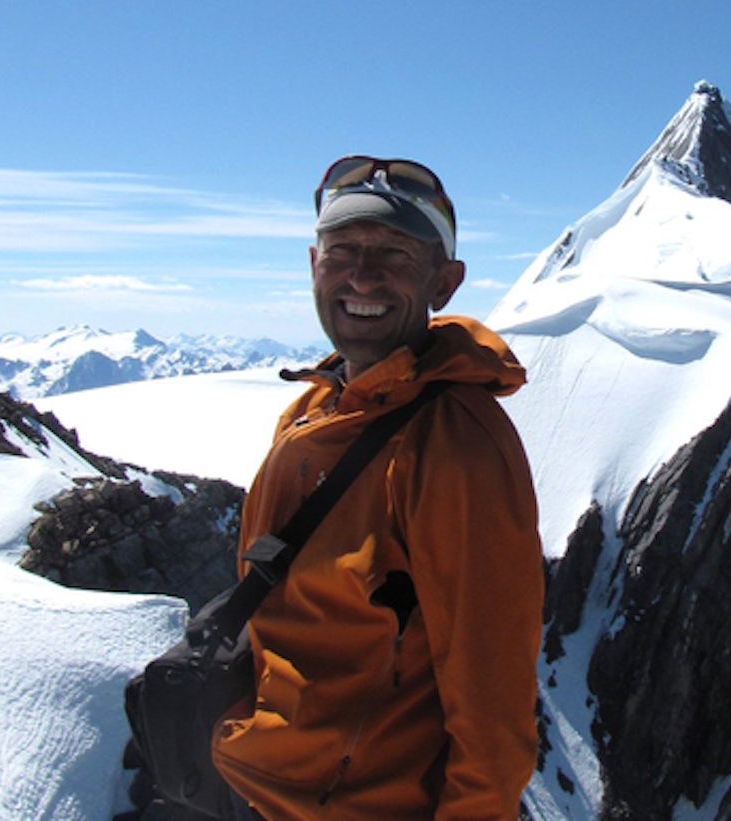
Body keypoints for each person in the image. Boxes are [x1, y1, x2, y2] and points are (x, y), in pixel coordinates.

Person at [211, 156, 544, 819]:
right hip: (262, 786)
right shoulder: (316, 407)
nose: (362, 274)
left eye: (393, 252)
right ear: (314, 265)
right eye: (343, 251)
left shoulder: (457, 443)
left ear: (443, 283)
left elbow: (492, 699)